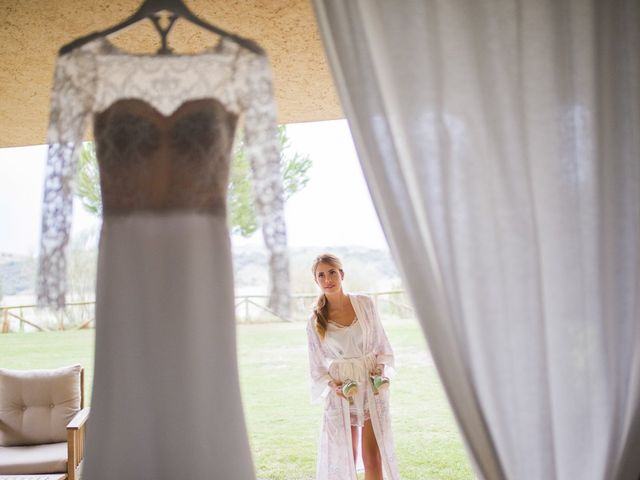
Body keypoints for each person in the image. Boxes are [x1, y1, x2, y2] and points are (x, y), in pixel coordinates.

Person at [306, 253, 400, 480]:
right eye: (321, 275)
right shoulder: (315, 320)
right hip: (342, 389)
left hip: (370, 382)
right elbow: (316, 366)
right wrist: (333, 385)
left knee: (372, 456)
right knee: (346, 454)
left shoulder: (365, 304)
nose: (328, 279)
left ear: (342, 274)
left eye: (332, 272)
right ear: (316, 280)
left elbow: (381, 343)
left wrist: (380, 370)